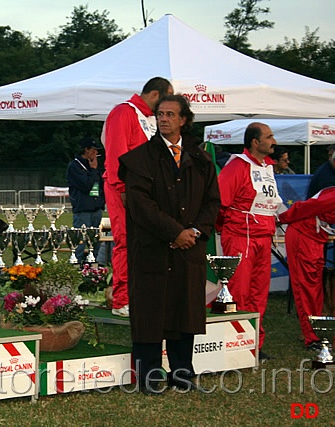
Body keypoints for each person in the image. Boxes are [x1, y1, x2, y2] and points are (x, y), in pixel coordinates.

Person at [119, 94, 220, 395]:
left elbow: (212, 202)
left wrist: (195, 232)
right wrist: (174, 232)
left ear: (184, 120)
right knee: (150, 313)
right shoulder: (139, 159)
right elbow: (140, 205)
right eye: (160, 114)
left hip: (189, 250)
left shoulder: (201, 160)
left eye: (170, 115)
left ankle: (182, 374)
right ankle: (149, 377)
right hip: (152, 249)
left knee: (184, 311)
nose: (163, 119)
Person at [101, 77, 173, 317]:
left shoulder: (151, 119)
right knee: (126, 241)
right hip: (124, 188)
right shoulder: (123, 113)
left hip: (146, 191)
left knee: (147, 244)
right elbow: (116, 155)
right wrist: (122, 188)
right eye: (165, 100)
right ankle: (122, 300)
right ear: (154, 94)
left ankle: (143, 295)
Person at [216, 122, 282, 361]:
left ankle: (253, 344)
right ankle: (235, 344)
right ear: (255, 142)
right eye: (269, 136)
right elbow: (219, 203)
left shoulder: (268, 167)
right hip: (240, 236)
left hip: (263, 237)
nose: (274, 141)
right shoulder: (237, 166)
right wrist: (229, 227)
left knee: (258, 295)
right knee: (239, 292)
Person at [278, 187, 335, 350]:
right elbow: (302, 207)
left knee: (315, 288)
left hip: (316, 237)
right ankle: (311, 336)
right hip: (303, 235)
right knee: (306, 287)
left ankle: (316, 331)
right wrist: (281, 219)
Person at [66, 137, 105, 264]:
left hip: (96, 208)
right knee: (80, 240)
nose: (96, 154)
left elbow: (99, 184)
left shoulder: (93, 165)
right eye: (93, 150)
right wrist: (93, 170)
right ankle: (77, 263)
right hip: (83, 209)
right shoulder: (75, 166)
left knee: (95, 240)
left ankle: (94, 265)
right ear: (86, 150)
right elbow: (86, 186)